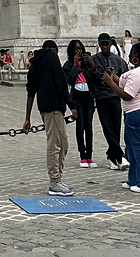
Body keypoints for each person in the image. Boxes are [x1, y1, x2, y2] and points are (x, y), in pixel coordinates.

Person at [99, 41, 140, 192]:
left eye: (132, 52)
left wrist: (109, 83)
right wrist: (113, 77)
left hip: (138, 112)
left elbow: (127, 94)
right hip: (138, 112)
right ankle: (134, 178)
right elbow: (126, 85)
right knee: (131, 148)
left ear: (136, 56)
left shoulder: (138, 73)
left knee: (139, 149)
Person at [23, 40, 76, 196]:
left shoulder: (35, 63)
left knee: (60, 142)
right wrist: (72, 105)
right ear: (54, 50)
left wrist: (27, 118)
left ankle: (57, 178)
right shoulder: (51, 58)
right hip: (54, 108)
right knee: (57, 144)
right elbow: (61, 83)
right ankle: (55, 181)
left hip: (45, 108)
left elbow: (30, 92)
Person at [89, 33, 129, 171]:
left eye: (107, 44)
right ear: (99, 44)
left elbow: (125, 79)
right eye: (103, 44)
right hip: (101, 98)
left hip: (115, 97)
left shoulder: (118, 60)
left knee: (116, 127)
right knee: (107, 127)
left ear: (111, 45)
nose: (105, 47)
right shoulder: (93, 60)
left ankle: (111, 156)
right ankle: (119, 156)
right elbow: (91, 80)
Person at [64, 39, 96, 168]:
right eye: (76, 49)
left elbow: (95, 77)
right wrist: (75, 66)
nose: (79, 51)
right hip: (77, 96)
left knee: (89, 127)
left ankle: (90, 155)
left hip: (88, 96)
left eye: (80, 49)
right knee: (80, 126)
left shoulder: (87, 63)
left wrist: (92, 64)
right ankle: (82, 155)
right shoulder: (68, 65)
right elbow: (69, 80)